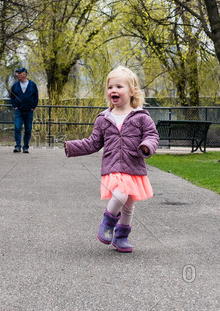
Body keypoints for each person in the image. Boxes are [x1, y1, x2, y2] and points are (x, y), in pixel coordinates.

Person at [65, 66, 159, 252]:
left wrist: (147, 145)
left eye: (119, 87)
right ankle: (108, 222)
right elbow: (93, 142)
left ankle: (121, 236)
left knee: (129, 204)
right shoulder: (103, 118)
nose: (113, 91)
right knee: (121, 194)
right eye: (110, 87)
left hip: (134, 165)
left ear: (132, 91)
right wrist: (72, 147)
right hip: (113, 166)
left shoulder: (141, 117)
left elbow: (152, 135)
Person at [10, 67, 39, 153]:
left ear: (24, 74)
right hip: (18, 110)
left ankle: (25, 147)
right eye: (17, 73)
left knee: (28, 129)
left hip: (29, 111)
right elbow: (12, 96)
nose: (18, 75)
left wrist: (33, 107)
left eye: (20, 73)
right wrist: (14, 106)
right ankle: (18, 146)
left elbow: (36, 96)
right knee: (17, 127)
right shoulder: (15, 86)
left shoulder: (32, 85)